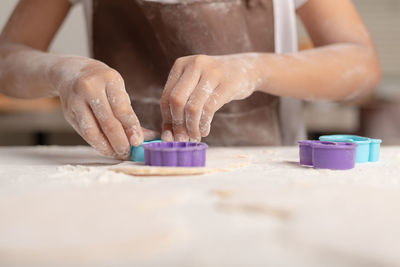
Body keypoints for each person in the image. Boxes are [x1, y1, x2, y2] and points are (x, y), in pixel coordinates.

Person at [0, 0, 381, 160]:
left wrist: (253, 68)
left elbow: (361, 66)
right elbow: (8, 57)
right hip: (122, 182)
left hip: (262, 178)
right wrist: (62, 72)